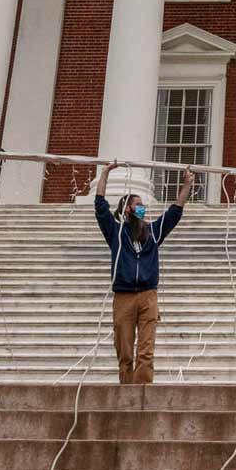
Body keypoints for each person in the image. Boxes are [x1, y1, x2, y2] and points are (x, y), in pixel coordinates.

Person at [93, 162, 191, 385]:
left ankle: (144, 395)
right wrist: (105, 173)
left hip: (148, 296)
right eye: (138, 205)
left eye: (143, 205)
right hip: (124, 297)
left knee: (146, 352)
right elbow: (100, 206)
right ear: (127, 209)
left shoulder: (153, 232)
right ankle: (127, 395)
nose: (142, 208)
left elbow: (176, 211)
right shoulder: (116, 232)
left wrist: (187, 184)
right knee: (125, 353)